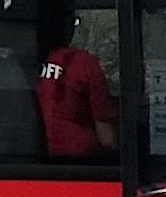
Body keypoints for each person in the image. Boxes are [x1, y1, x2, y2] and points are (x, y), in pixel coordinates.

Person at [35, 30, 117, 161]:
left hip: (38, 161)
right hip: (83, 164)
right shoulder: (84, 63)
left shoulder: (27, 64)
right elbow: (108, 139)